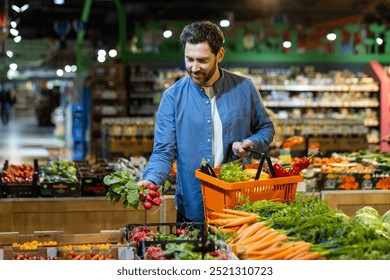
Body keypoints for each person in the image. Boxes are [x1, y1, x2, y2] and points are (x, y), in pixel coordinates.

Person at [138, 21, 275, 223]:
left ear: (219, 55)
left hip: (239, 205)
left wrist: (251, 143)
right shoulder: (172, 97)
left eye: (202, 60)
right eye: (189, 59)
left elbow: (265, 128)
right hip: (193, 207)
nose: (194, 68)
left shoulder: (244, 88)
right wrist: (151, 179)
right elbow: (163, 151)